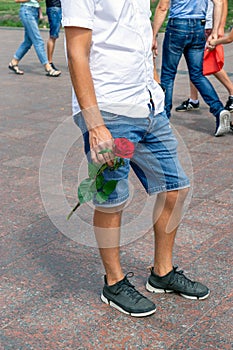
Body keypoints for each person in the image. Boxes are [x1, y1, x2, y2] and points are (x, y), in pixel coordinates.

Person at [62, 0, 210, 317]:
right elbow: (76, 51)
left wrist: (154, 83)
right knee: (112, 198)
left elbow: (142, 37)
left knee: (175, 187)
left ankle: (162, 273)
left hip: (147, 104)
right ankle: (113, 283)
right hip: (109, 109)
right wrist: (95, 124)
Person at [153, 0, 231, 137]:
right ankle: (218, 110)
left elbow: (162, 7)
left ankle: (163, 119)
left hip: (177, 25)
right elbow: (219, 2)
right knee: (197, 74)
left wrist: (153, 36)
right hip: (198, 26)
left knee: (168, 75)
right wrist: (214, 30)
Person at [175, 0, 233, 115]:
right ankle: (193, 99)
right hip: (198, 23)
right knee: (195, 63)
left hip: (209, 26)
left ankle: (232, 91)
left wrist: (220, 27)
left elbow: (223, 2)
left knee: (208, 63)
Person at [8, 0, 61, 77]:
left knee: (28, 42)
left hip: (34, 11)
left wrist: (39, 11)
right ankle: (48, 68)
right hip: (27, 11)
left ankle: (14, 62)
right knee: (38, 41)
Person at [46, 0, 62, 71]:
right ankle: (49, 62)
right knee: (53, 36)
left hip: (57, 8)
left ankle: (49, 62)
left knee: (54, 36)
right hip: (54, 7)